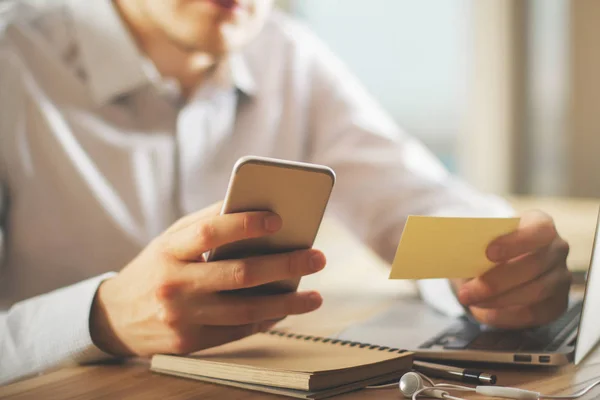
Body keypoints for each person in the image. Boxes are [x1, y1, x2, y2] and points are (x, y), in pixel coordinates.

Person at [0, 0, 571, 385]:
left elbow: (416, 200)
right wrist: (99, 317)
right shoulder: (12, 61)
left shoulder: (286, 53)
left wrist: (492, 263)